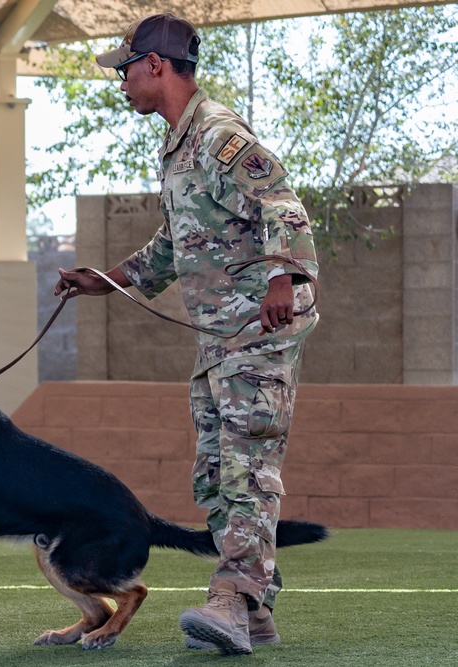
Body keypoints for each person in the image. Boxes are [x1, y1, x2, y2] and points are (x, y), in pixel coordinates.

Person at [54, 13, 319, 656]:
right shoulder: (178, 146)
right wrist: (107, 281)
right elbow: (173, 247)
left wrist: (285, 275)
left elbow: (282, 206)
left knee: (246, 466)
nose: (119, 81)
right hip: (219, 336)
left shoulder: (220, 135)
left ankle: (230, 599)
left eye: (124, 69)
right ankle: (255, 611)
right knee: (215, 471)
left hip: (259, 326)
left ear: (156, 64)